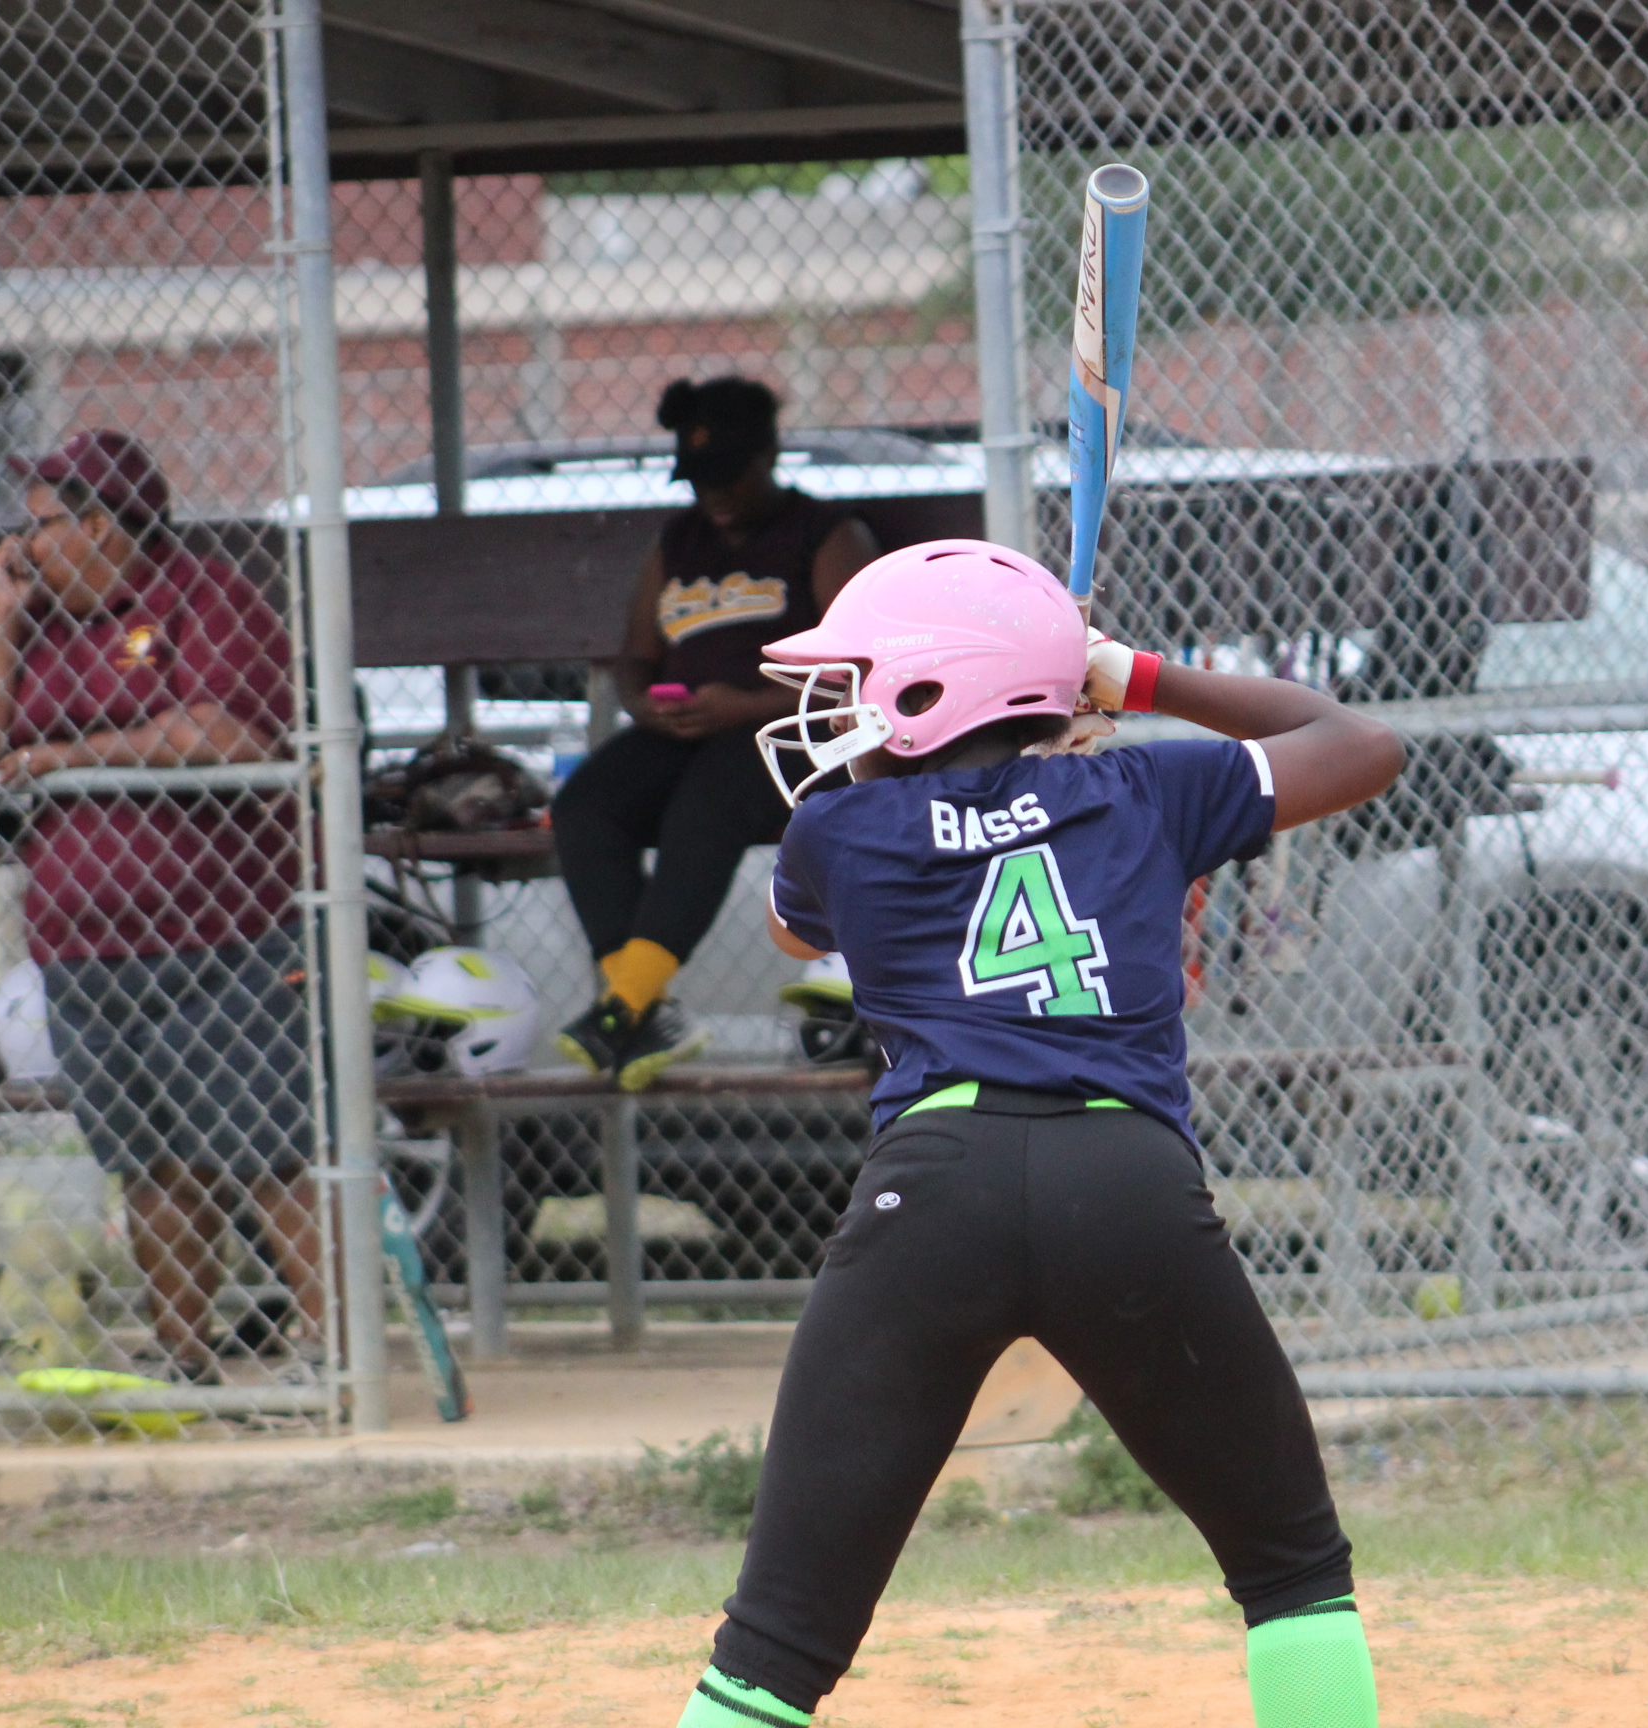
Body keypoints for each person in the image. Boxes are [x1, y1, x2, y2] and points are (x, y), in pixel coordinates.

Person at [668, 539, 1403, 1728]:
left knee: (776, 1640)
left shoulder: (836, 834)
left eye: (859, 685)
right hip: (1125, 1188)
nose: (839, 712)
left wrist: (1027, 772)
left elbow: (798, 930)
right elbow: (1359, 744)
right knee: (1293, 1574)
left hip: (932, 1196)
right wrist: (1133, 679)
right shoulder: (1143, 790)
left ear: (931, 694)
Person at [0, 429, 317, 1386]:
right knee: (149, 1162)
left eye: (40, 524)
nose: (22, 544)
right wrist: (2, 618)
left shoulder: (202, 594)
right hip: (81, 946)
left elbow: (223, 733)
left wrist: (68, 757)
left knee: (270, 1154)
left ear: (101, 524)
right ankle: (184, 1356)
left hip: (225, 932)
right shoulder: (36, 619)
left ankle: (335, 1354)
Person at [551, 375, 878, 1089]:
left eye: (730, 476)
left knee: (709, 801)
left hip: (791, 734)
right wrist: (644, 705)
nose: (715, 495)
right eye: (701, 480)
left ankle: (622, 1008)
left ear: (770, 455)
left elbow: (858, 667)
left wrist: (749, 705)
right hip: (687, 730)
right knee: (585, 804)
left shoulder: (825, 534)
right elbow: (635, 659)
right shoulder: (680, 540)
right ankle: (640, 1005)